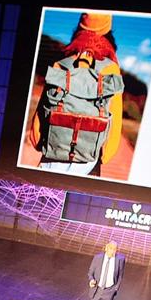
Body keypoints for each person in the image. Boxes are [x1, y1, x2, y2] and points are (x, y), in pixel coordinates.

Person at [31, 12, 125, 178]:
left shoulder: (61, 64)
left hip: (52, 157)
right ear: (108, 32)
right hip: (88, 163)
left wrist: (41, 143)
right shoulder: (110, 68)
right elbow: (114, 122)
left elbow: (38, 123)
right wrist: (103, 155)